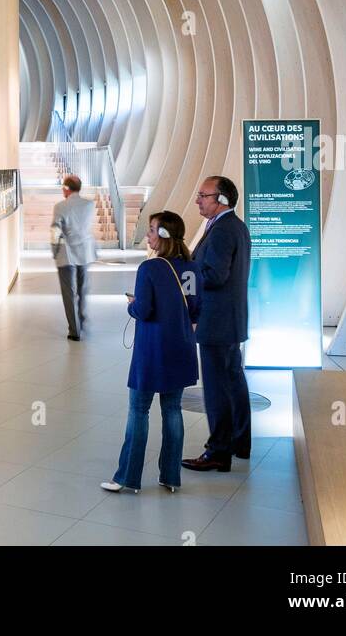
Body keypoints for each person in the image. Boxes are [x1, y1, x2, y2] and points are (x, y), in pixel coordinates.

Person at [102, 210, 202, 494]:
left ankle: (128, 477)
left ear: (164, 235)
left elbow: (143, 309)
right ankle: (170, 476)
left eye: (152, 229)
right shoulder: (192, 268)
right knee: (172, 410)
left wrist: (131, 304)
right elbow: (196, 308)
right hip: (181, 346)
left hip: (152, 350)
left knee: (139, 410)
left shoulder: (150, 268)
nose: (147, 235)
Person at [183, 175, 251, 473]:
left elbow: (215, 275)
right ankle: (239, 442)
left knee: (216, 387)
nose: (198, 199)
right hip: (229, 319)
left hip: (216, 320)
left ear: (221, 200)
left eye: (203, 195)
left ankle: (218, 451)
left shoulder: (223, 231)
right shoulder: (233, 226)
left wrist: (184, 277)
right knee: (233, 380)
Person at [51, 174, 96, 340]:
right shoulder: (89, 205)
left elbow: (55, 230)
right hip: (84, 252)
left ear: (66, 189)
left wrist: (54, 250)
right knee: (82, 289)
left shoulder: (60, 206)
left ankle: (75, 330)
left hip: (66, 254)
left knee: (69, 292)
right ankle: (82, 321)